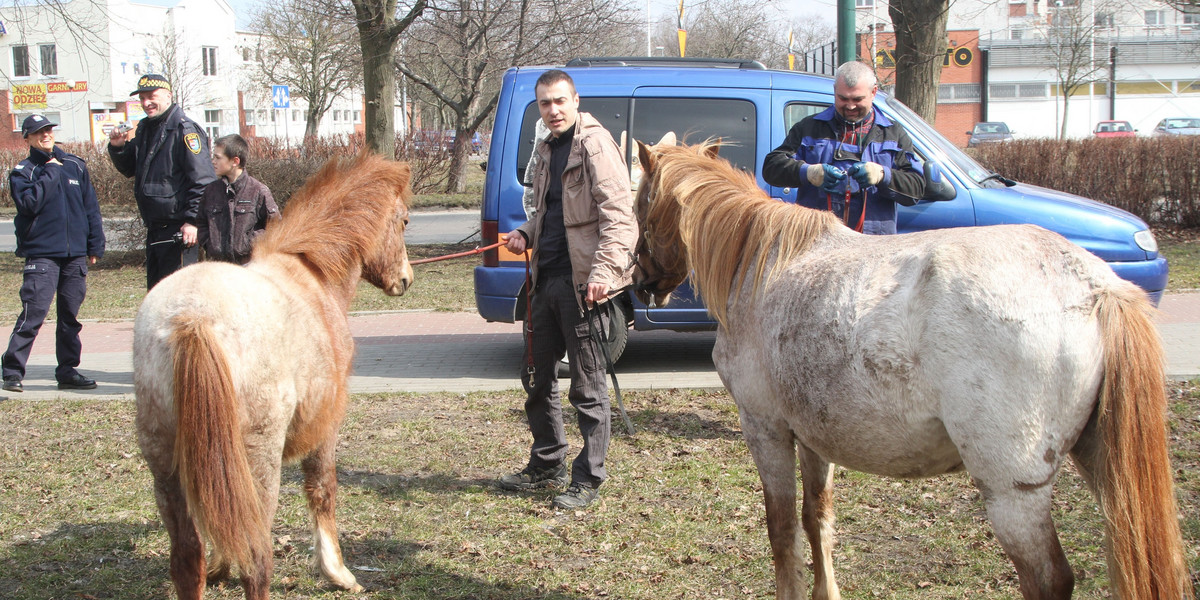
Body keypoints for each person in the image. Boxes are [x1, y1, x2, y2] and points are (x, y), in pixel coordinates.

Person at [498, 69, 638, 510]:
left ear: (576, 101)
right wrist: (525, 232)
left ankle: (588, 477)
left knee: (587, 388)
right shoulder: (547, 148)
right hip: (546, 281)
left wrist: (604, 273)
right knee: (536, 378)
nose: (553, 110)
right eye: (545, 103)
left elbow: (620, 220)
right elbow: (549, 212)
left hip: (584, 286)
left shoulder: (595, 146)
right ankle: (547, 462)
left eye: (560, 101)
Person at [2, 115, 106, 392]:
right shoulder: (23, 171)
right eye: (38, 132)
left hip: (75, 256)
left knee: (70, 317)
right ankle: (12, 371)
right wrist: (50, 171)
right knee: (32, 315)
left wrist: (95, 245)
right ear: (27, 138)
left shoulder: (74, 165)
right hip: (42, 255)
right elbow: (29, 204)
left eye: (48, 130)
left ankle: (68, 370)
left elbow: (90, 208)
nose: (45, 135)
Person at [762, 60, 925, 234]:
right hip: (817, 242)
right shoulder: (808, 128)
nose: (850, 106)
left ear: (874, 92)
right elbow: (771, 168)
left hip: (874, 248)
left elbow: (916, 188)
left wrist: (883, 176)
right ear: (834, 91)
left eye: (857, 99)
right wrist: (808, 172)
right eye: (843, 98)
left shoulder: (893, 134)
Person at [108, 73, 216, 289]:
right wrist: (118, 147)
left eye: (151, 96)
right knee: (157, 295)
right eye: (142, 98)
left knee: (177, 297)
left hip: (179, 230)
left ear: (168, 95)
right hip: (156, 229)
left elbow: (203, 181)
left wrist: (192, 221)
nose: (146, 103)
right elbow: (132, 169)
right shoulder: (147, 128)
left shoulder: (184, 130)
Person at [197, 134, 280, 264]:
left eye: (218, 157)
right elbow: (201, 223)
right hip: (218, 267)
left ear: (235, 161)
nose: (213, 161)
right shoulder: (211, 191)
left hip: (249, 267)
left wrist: (251, 242)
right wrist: (209, 244)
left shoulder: (258, 191)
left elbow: (276, 226)